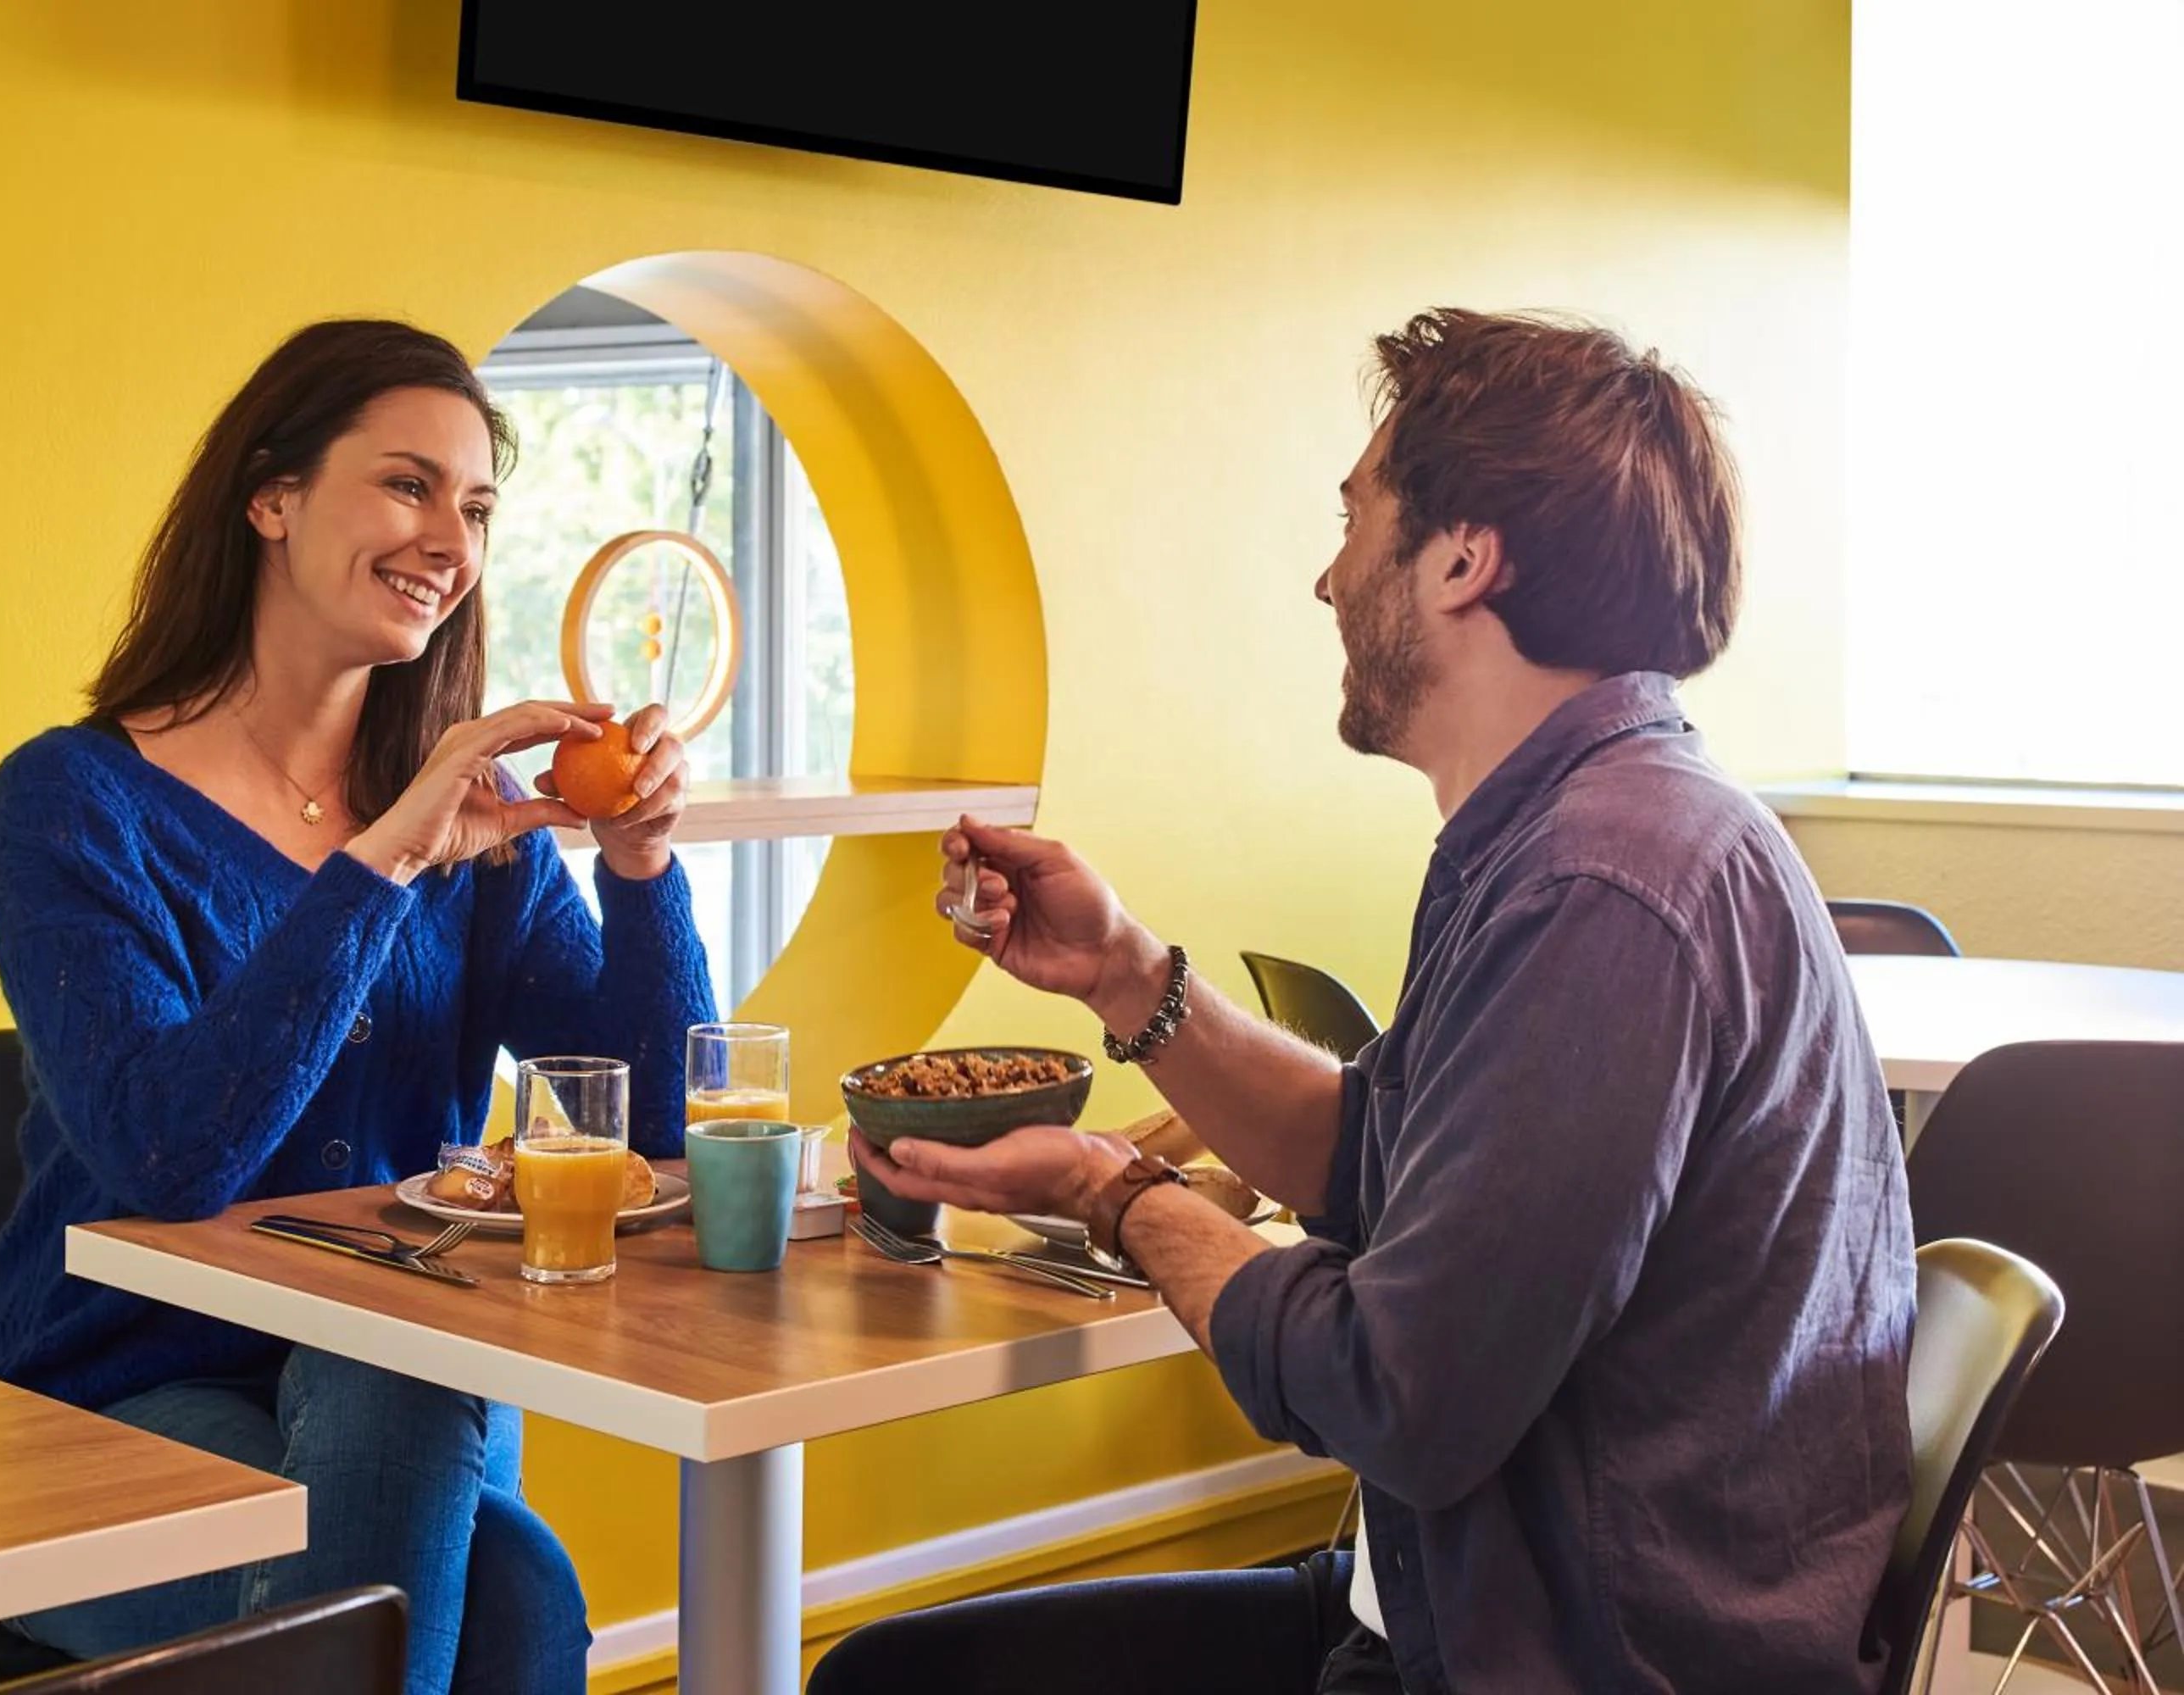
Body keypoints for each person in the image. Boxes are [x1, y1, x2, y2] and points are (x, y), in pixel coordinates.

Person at [816, 310, 1914, 1695]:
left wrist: (1114, 1193)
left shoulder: (1604, 886)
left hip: (1565, 1656)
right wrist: (1125, 975)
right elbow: (1371, 1158)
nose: (1329, 578)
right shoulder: (1589, 830)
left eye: (1357, 517)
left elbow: (1398, 1397)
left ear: (1463, 558)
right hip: (1459, 1593)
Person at [0, 319, 716, 1695]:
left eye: (478, 506)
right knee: (506, 1580)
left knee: (410, 1387)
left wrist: (638, 866)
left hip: (403, 1397)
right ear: (271, 498)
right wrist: (382, 863)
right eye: (407, 484)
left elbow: (665, 1127)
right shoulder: (70, 802)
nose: (452, 536)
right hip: (119, 1408)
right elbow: (170, 1157)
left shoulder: (470, 820)